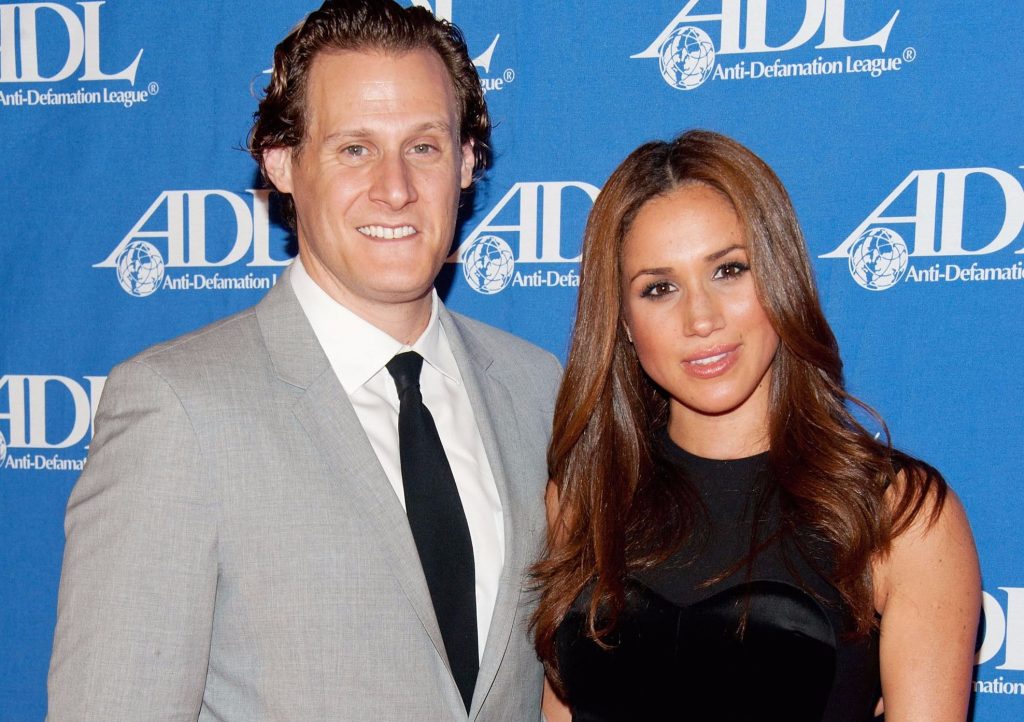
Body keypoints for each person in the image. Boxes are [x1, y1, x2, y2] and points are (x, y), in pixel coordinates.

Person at [46, 2, 560, 720]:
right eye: (354, 149)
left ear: (467, 161)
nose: (395, 189)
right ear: (282, 163)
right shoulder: (178, 409)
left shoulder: (538, 390)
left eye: (424, 146)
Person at [532, 130, 980, 721]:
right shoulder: (586, 499)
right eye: (659, 288)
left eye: (729, 270)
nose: (701, 318)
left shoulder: (899, 514)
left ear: (780, 278)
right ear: (622, 323)